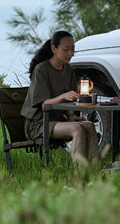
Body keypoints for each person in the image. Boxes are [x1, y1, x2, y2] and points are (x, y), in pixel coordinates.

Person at [21, 30, 99, 167]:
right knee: (77, 129)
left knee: (89, 126)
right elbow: (43, 104)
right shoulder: (41, 70)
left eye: (73, 49)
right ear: (54, 49)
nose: (71, 53)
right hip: (38, 124)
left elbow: (69, 100)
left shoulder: (68, 70)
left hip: (59, 121)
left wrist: (70, 116)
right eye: (66, 49)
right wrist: (63, 96)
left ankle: (95, 171)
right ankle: (80, 173)